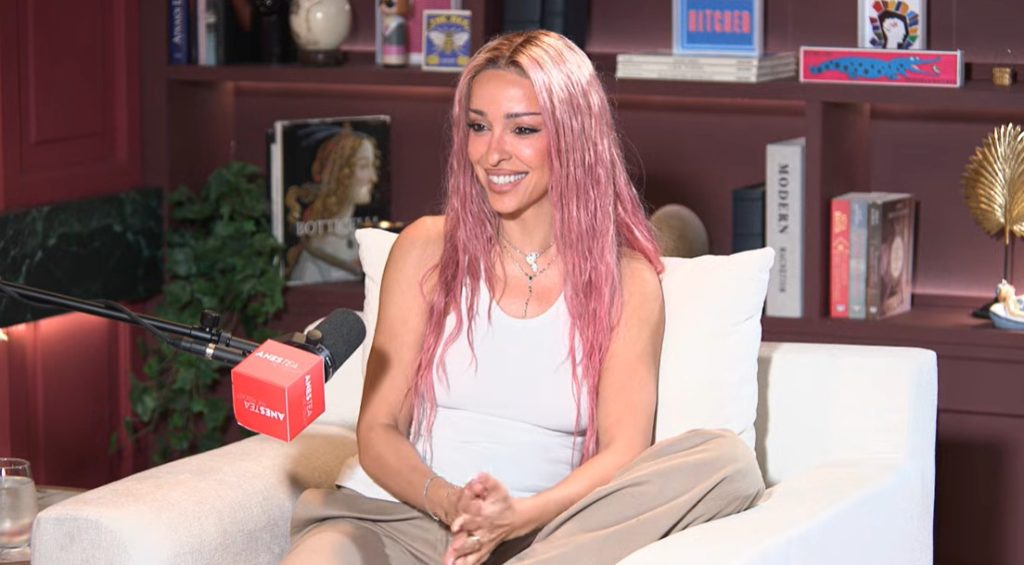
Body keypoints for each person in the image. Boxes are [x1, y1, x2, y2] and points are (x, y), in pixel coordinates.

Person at [282, 30, 763, 565]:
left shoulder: (627, 279)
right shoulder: (425, 248)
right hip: (402, 518)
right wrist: (452, 503)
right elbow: (377, 431)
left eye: (524, 129)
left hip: (544, 536)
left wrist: (518, 517)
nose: (493, 153)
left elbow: (623, 452)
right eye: (478, 126)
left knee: (726, 463)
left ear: (574, 137)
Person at [287, 124, 380, 284]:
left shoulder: (359, 234)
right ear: (340, 173)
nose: (373, 177)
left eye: (373, 166)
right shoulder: (315, 252)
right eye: (364, 166)